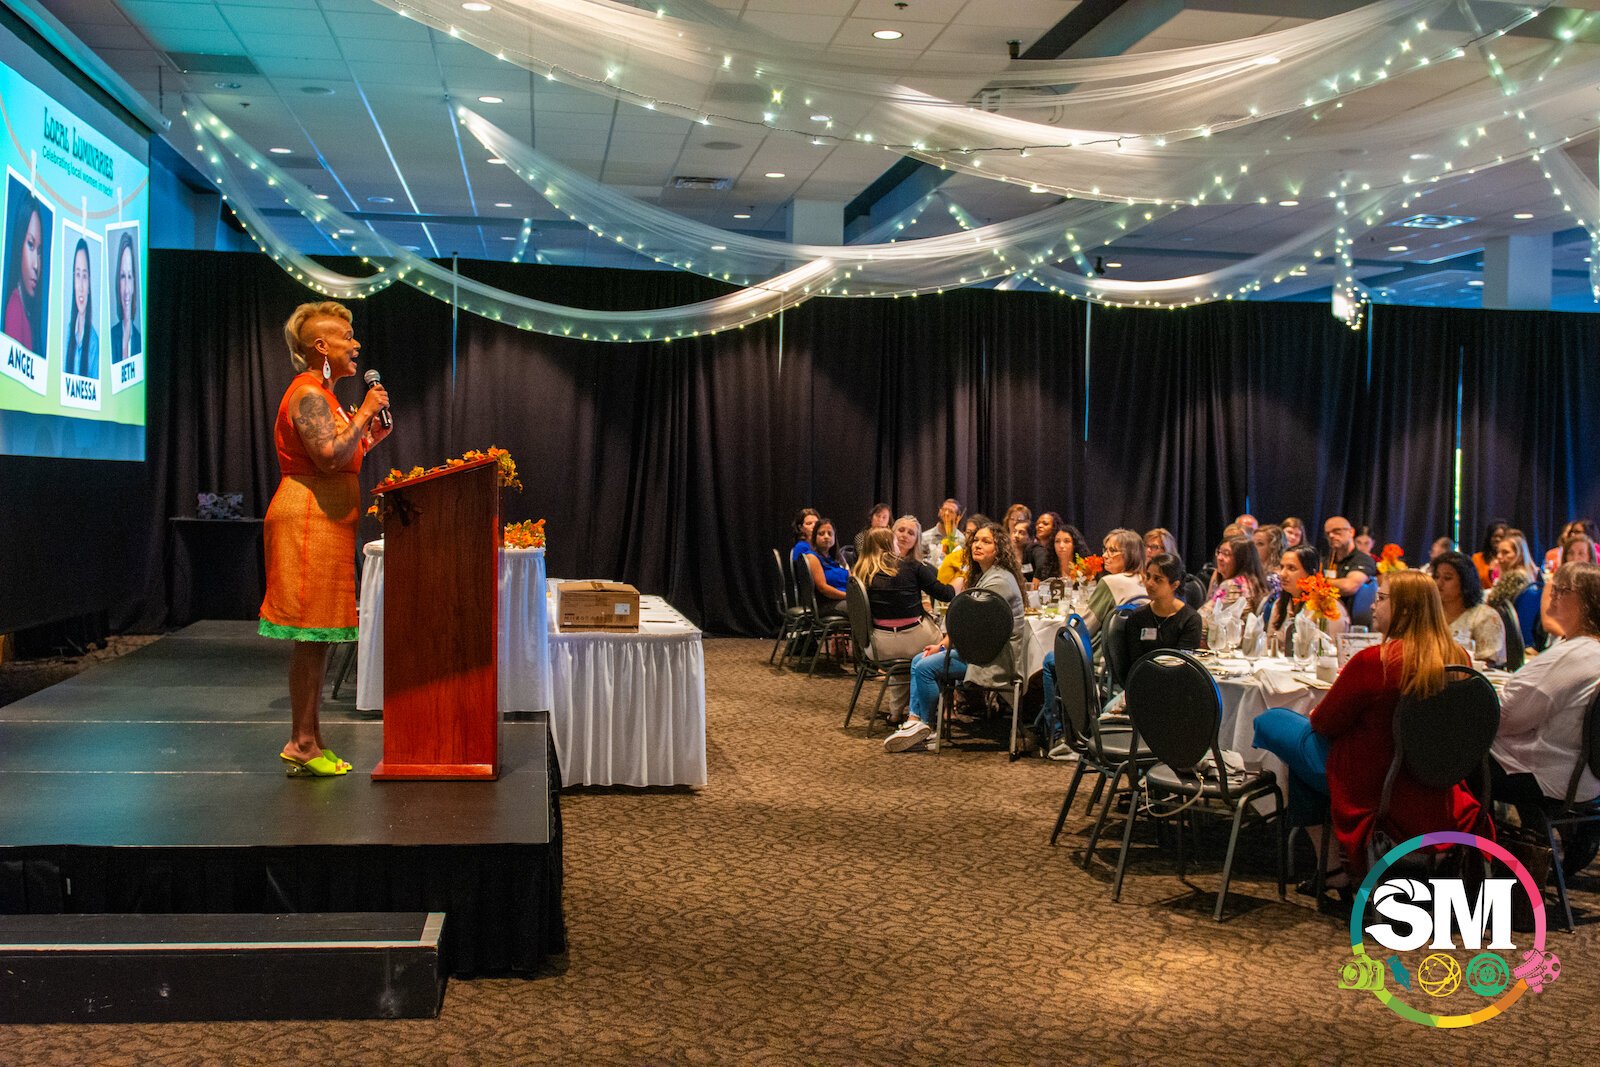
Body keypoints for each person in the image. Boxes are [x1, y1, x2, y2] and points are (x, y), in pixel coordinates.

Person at [1253, 570, 1487, 886]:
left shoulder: (1376, 661)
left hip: (1375, 781)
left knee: (1272, 721)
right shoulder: (1458, 657)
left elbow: (1324, 723)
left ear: (1405, 607)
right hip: (1434, 780)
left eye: (1381, 598)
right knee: (1299, 751)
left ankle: (1332, 870)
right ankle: (1332, 871)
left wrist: (1316, 714)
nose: (1372, 606)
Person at [261, 301, 392, 777]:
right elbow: (329, 457)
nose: (355, 344)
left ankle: (311, 738)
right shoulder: (308, 394)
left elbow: (345, 452)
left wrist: (367, 435)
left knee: (318, 639)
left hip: (327, 523)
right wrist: (366, 414)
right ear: (321, 346)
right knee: (310, 637)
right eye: (346, 336)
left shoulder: (326, 394)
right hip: (307, 521)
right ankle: (300, 741)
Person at [1491, 562, 1600, 870]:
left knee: (1461, 757)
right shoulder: (1587, 649)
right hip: (1588, 778)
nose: (1551, 598)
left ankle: (1475, 863)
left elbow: (1505, 717)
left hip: (1553, 777)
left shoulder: (1573, 654)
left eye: (1561, 591)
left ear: (1585, 601)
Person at [886, 522, 1026, 752]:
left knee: (925, 668)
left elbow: (973, 626)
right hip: (979, 649)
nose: (977, 545)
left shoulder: (999, 581)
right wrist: (942, 645)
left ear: (999, 549)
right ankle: (914, 722)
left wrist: (944, 648)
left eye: (986, 542)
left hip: (993, 657)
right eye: (976, 540)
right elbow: (970, 625)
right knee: (918, 660)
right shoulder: (986, 575)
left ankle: (928, 727)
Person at [852, 528, 956, 720]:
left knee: (903, 659)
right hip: (914, 641)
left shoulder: (859, 573)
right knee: (943, 644)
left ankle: (896, 712)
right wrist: (958, 583)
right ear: (890, 544)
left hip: (876, 647)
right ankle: (943, 707)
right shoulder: (912, 566)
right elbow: (945, 595)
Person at [1120, 553, 1202, 668]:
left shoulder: (1190, 619)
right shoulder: (1137, 617)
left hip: (1177, 680)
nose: (1149, 583)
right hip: (1143, 677)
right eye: (1148, 576)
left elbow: (1184, 663)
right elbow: (1136, 661)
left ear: (1174, 585)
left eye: (1158, 579)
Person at [1430, 551, 1506, 667]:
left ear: (1465, 582)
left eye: (1447, 578)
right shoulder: (1430, 613)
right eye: (1436, 577)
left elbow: (1488, 663)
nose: (1439, 584)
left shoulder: (1485, 616)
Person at [1267, 544, 1347, 650]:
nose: (1282, 574)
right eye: (1282, 567)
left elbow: (1332, 651)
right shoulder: (1279, 604)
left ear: (1311, 573)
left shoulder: (1327, 607)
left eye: (1291, 568)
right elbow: (1269, 646)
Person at [1084, 528, 1146, 639]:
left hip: (1107, 653)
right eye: (1105, 549)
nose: (1104, 555)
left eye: (1112, 550)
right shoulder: (1146, 581)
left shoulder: (1110, 582)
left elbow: (1085, 627)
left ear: (1130, 554)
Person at [3, 191, 45, 350]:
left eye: (39, 252)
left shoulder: (28, 312)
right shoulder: (15, 307)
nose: (36, 265)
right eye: (30, 245)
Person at [1202, 536, 1269, 620]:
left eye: (1226, 554)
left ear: (1242, 559)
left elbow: (1204, 618)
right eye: (1219, 552)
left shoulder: (1233, 586)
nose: (1219, 558)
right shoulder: (1253, 582)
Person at [1322, 515, 1377, 616]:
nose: (1331, 536)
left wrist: (1320, 582)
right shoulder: (1325, 561)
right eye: (1327, 533)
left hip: (1351, 622)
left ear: (1351, 532)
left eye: (1336, 531)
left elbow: (1350, 586)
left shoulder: (1363, 560)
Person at [798, 517, 849, 618]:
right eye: (821, 534)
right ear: (814, 537)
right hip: (826, 604)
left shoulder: (838, 558)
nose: (826, 537)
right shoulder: (812, 557)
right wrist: (848, 596)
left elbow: (851, 581)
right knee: (859, 607)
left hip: (845, 599)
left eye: (830, 534)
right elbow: (823, 588)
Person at [63, 238, 98, 379]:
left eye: (84, 276)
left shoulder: (94, 341)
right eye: (77, 275)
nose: (81, 286)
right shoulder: (68, 331)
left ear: (89, 284)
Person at [110, 231, 141, 364]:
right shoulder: (110, 337)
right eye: (123, 277)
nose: (127, 289)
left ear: (134, 283)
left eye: (129, 276)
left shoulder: (140, 341)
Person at [921, 498, 964, 563]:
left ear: (958, 517)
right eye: (944, 510)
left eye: (951, 511)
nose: (946, 513)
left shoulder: (962, 540)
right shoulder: (924, 537)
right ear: (939, 512)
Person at [1473, 518, 1510, 587]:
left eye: (1501, 537)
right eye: (1494, 536)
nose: (1497, 539)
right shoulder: (1477, 558)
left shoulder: (1510, 559)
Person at [1032, 512, 1063, 581]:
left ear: (1054, 527)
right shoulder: (1031, 549)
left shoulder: (1058, 550)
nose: (1039, 526)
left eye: (1045, 524)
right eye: (1037, 524)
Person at [1010, 518, 1037, 585]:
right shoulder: (1007, 555)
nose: (1016, 535)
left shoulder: (1033, 554)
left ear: (1031, 538)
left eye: (1021, 532)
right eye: (1014, 531)